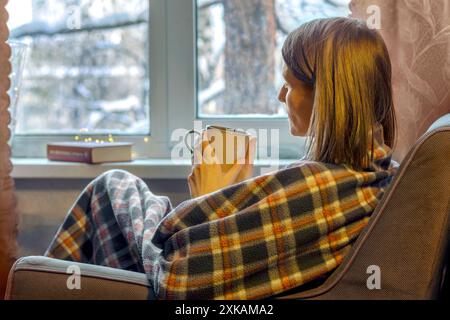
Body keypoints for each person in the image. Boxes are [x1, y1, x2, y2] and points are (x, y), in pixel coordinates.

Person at [45, 17, 398, 300]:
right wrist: (225, 204)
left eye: (289, 85)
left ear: (326, 97)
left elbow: (180, 276)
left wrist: (206, 198)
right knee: (119, 191)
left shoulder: (320, 184)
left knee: (112, 187)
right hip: (193, 264)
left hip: (175, 277)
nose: (280, 95)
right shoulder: (371, 175)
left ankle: (42, 284)